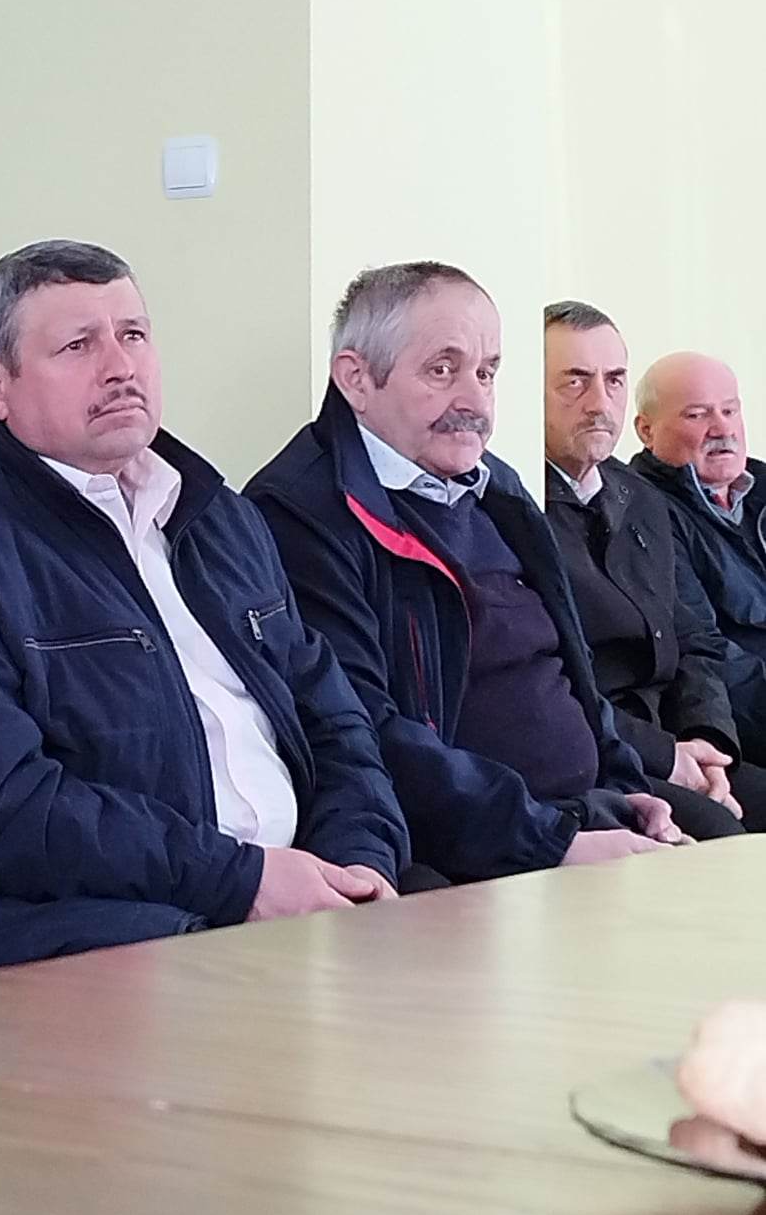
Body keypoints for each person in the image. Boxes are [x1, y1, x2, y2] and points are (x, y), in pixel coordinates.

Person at [0, 239, 415, 987]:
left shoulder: (220, 518)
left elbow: (336, 722)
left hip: (281, 911)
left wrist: (359, 862)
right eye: (78, 345)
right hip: (77, 948)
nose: (120, 366)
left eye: (133, 334)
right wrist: (242, 881)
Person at [245, 262, 691, 887]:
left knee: (726, 862)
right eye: (442, 370)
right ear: (356, 379)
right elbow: (369, 733)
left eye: (486, 372)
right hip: (471, 845)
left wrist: (625, 788)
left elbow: (573, 668)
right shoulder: (302, 513)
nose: (475, 402)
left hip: (579, 811)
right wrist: (553, 841)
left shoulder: (497, 487)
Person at [543, 302, 766, 835]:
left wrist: (709, 740)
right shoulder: (519, 504)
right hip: (600, 753)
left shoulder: (638, 498)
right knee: (724, 838)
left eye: (614, 380)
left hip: (682, 740)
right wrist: (668, 754)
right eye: (575, 381)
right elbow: (553, 680)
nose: (600, 402)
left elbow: (694, 641)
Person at [632, 352, 766, 753]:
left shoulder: (761, 488)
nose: (722, 428)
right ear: (646, 430)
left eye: (730, 410)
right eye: (697, 415)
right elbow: (705, 651)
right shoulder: (644, 513)